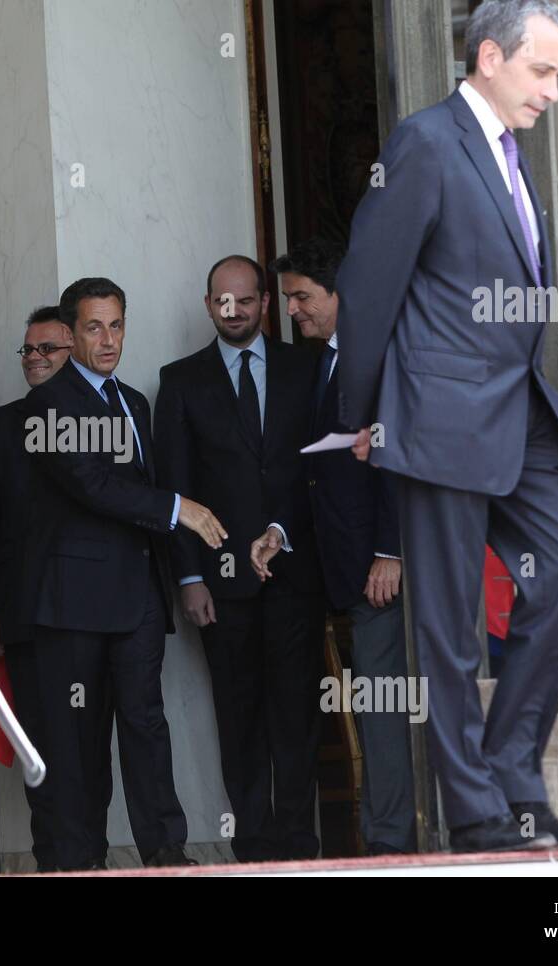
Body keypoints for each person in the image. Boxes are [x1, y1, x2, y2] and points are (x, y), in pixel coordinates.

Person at [333, 0, 558, 851]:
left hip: (519, 415)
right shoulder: (425, 142)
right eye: (542, 71)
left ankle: (513, 776)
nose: (553, 90)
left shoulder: (510, 155)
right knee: (448, 633)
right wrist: (364, 414)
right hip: (440, 415)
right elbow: (370, 284)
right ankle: (481, 814)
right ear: (489, 57)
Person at [19, 277, 227, 869]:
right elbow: (93, 484)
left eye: (117, 325)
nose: (108, 340)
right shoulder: (49, 403)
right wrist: (176, 507)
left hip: (138, 595)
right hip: (75, 605)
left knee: (146, 725)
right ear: (68, 333)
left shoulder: (134, 401)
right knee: (79, 743)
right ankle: (80, 863)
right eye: (93, 327)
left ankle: (165, 851)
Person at [155, 255, 325, 861]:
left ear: (264, 303)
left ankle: (299, 848)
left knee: (297, 715)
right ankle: (253, 849)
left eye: (246, 300)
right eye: (222, 301)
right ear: (208, 305)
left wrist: (282, 528)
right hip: (220, 587)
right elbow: (174, 486)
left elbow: (320, 470)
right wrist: (190, 577)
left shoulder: (307, 368)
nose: (234, 311)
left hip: (296, 574)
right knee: (239, 716)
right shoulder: (179, 381)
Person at [253, 240, 416, 855]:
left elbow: (399, 455)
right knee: (377, 713)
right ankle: (383, 842)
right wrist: (281, 531)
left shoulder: (379, 354)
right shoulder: (327, 360)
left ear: (338, 292)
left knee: (385, 715)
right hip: (342, 569)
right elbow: (318, 470)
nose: (292, 310)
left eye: (302, 297)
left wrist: (390, 550)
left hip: (382, 572)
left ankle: (392, 850)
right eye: (289, 297)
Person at [0, 306, 116, 872]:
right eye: (27, 349)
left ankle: (92, 859)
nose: (34, 359)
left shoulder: (109, 417)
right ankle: (59, 862)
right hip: (29, 617)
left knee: (94, 748)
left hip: (102, 616)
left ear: (73, 351)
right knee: (50, 750)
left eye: (47, 348)